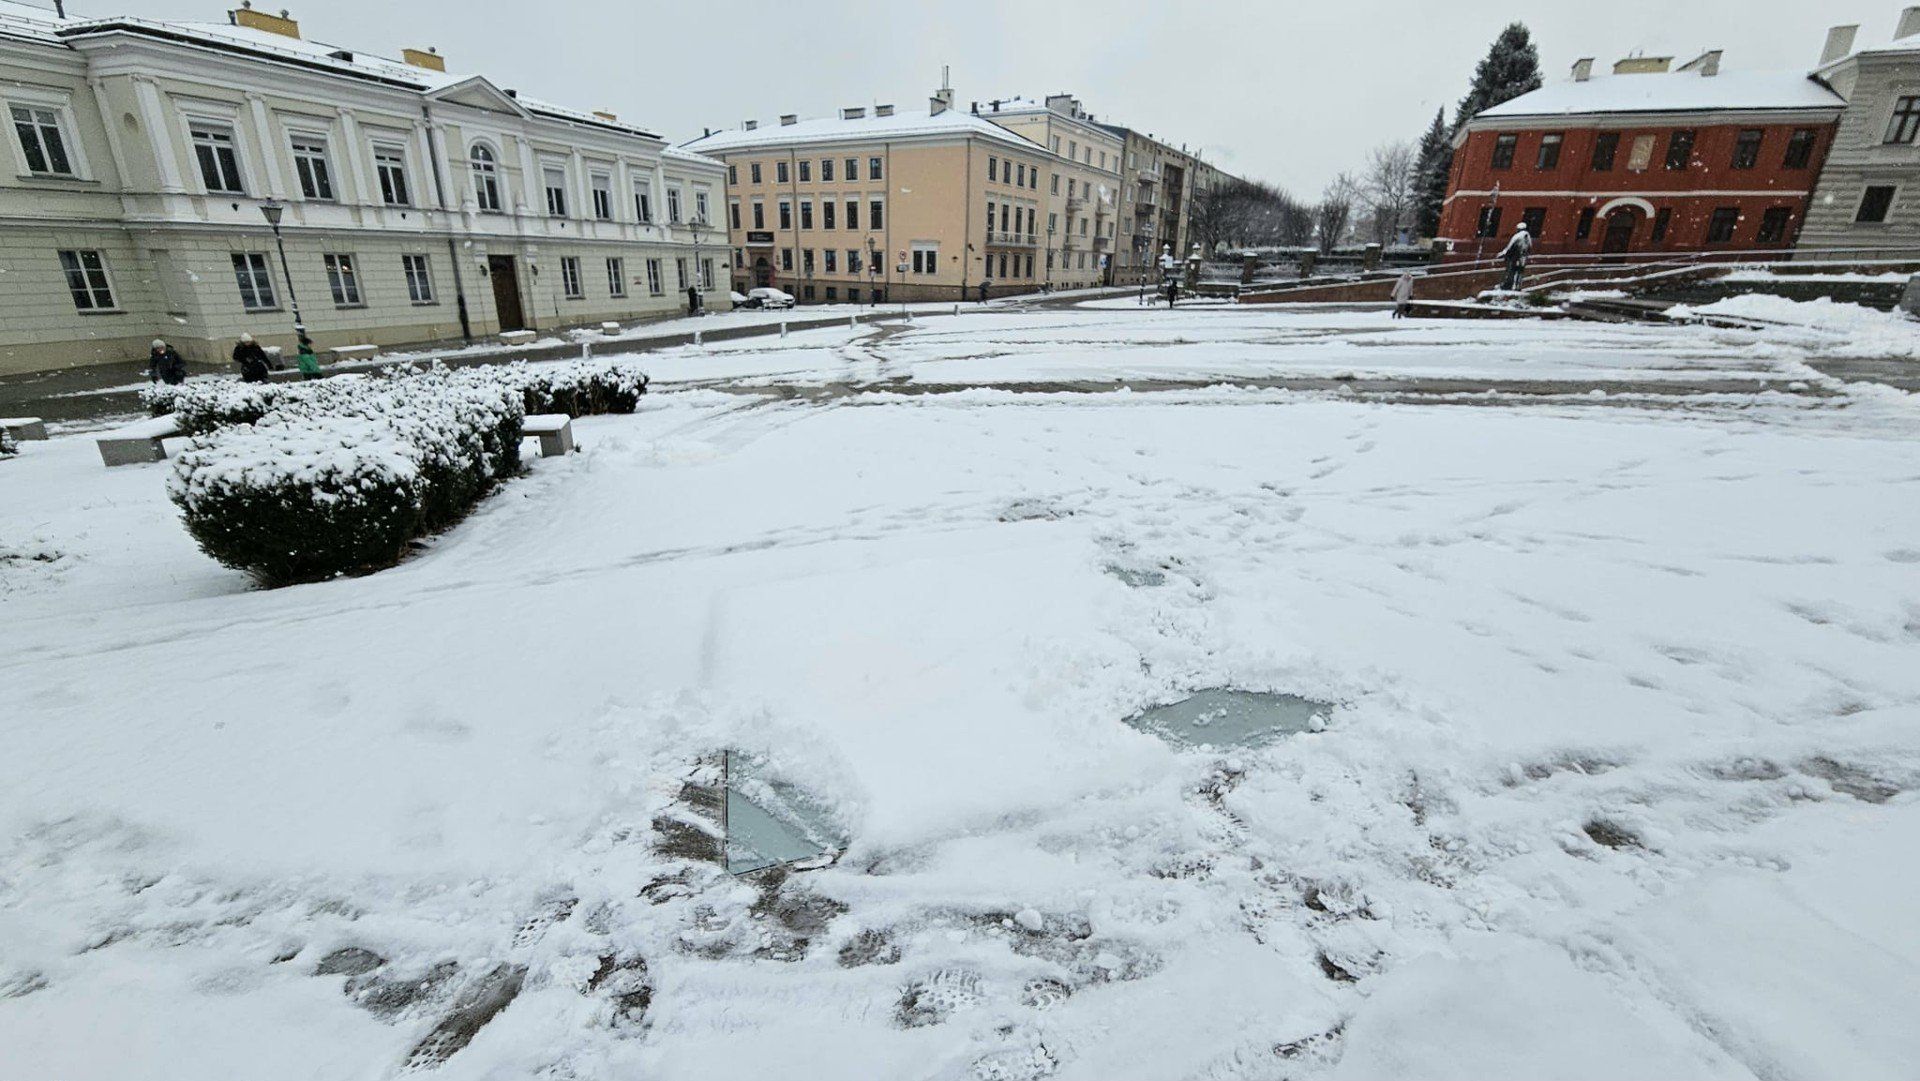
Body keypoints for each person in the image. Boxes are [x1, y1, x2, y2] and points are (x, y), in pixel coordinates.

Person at [1499, 222, 1533, 291]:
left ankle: (1508, 285)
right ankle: (1518, 286)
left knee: (1511, 271)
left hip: (1515, 257)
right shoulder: (1528, 237)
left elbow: (1509, 247)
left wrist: (1503, 254)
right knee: (1520, 272)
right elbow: (1530, 247)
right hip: (1523, 258)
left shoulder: (1517, 236)